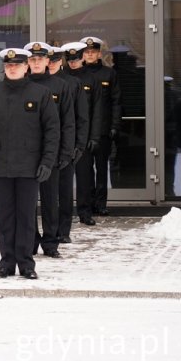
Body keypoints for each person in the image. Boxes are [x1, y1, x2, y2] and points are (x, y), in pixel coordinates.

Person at [0, 48, 59, 280]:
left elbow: (52, 131)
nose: (12, 68)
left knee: (26, 216)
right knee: (4, 218)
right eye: (9, 65)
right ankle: (6, 263)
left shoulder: (40, 93)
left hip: (30, 167)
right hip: (0, 166)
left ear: (26, 67)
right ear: (4, 68)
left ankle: (26, 264)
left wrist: (47, 162)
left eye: (17, 65)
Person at [24, 42, 75, 259]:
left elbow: (68, 123)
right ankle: (31, 241)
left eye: (40, 59)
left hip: (50, 153)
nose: (36, 63)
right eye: (32, 59)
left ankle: (51, 242)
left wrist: (65, 152)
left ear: (48, 61)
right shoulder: (21, 85)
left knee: (50, 200)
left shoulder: (60, 86)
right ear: (27, 62)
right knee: (27, 202)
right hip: (25, 154)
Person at [47, 42, 88, 243]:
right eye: (50, 60)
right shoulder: (35, 82)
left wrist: (79, 145)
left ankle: (63, 231)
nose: (52, 64)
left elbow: (81, 117)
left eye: (55, 60)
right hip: (44, 147)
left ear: (60, 60)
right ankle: (48, 230)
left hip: (66, 145)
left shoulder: (71, 83)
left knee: (64, 191)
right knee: (46, 193)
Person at [62, 41, 103, 226]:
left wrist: (93, 136)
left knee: (84, 176)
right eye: (70, 60)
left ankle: (85, 212)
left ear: (81, 58)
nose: (73, 63)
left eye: (76, 59)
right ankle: (63, 212)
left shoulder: (91, 79)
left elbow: (97, 111)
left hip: (83, 135)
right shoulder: (60, 78)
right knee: (62, 178)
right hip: (64, 136)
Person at [80, 36, 121, 216]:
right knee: (85, 171)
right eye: (87, 52)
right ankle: (87, 204)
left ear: (99, 53)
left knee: (102, 168)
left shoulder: (109, 74)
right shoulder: (78, 75)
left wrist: (114, 126)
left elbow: (116, 102)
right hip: (83, 131)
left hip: (103, 130)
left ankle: (101, 204)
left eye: (93, 52)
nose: (90, 55)